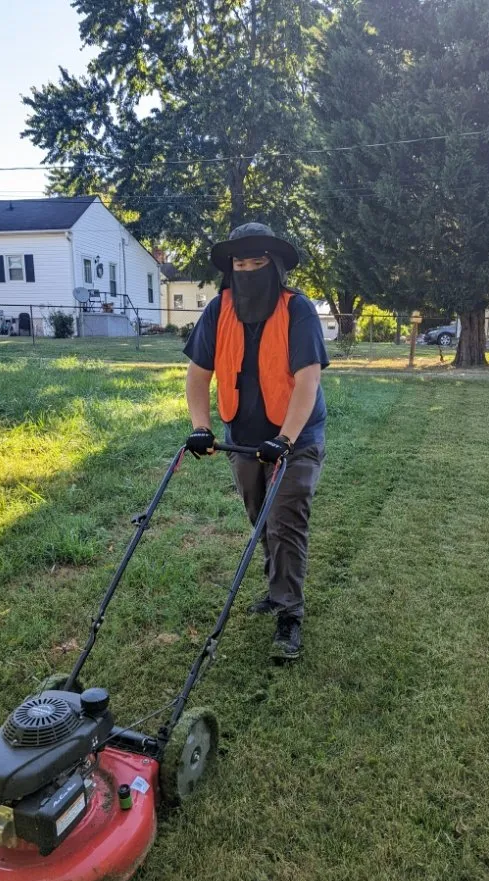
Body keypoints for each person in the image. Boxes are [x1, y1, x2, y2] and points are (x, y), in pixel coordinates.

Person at [183, 223, 329, 661]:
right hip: (242, 437)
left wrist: (285, 439)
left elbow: (308, 380)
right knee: (260, 518)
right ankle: (276, 587)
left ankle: (289, 613)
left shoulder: (297, 310)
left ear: (275, 265)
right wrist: (201, 426)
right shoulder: (218, 310)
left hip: (295, 437)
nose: (247, 270)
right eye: (239, 263)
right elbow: (197, 373)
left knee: (285, 520)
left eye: (257, 262)